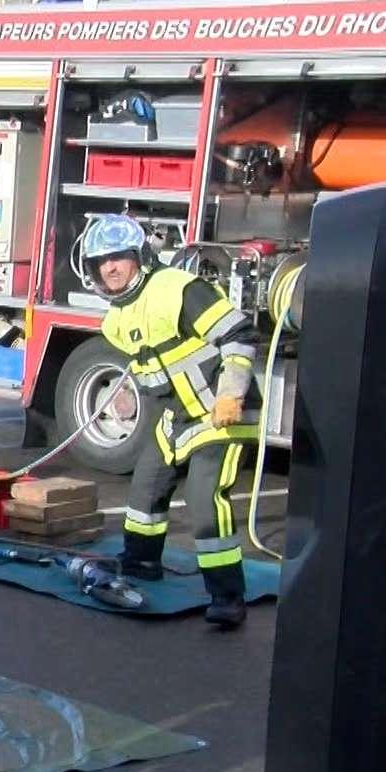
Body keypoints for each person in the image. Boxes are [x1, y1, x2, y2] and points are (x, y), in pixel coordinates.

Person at [81, 214, 257, 629]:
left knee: (204, 501)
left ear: (139, 256)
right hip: (174, 416)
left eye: (118, 258)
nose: (110, 268)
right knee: (146, 488)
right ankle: (140, 564)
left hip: (218, 412)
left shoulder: (177, 290)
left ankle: (227, 596)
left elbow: (239, 335)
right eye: (101, 262)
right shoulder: (115, 318)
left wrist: (231, 393)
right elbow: (154, 368)